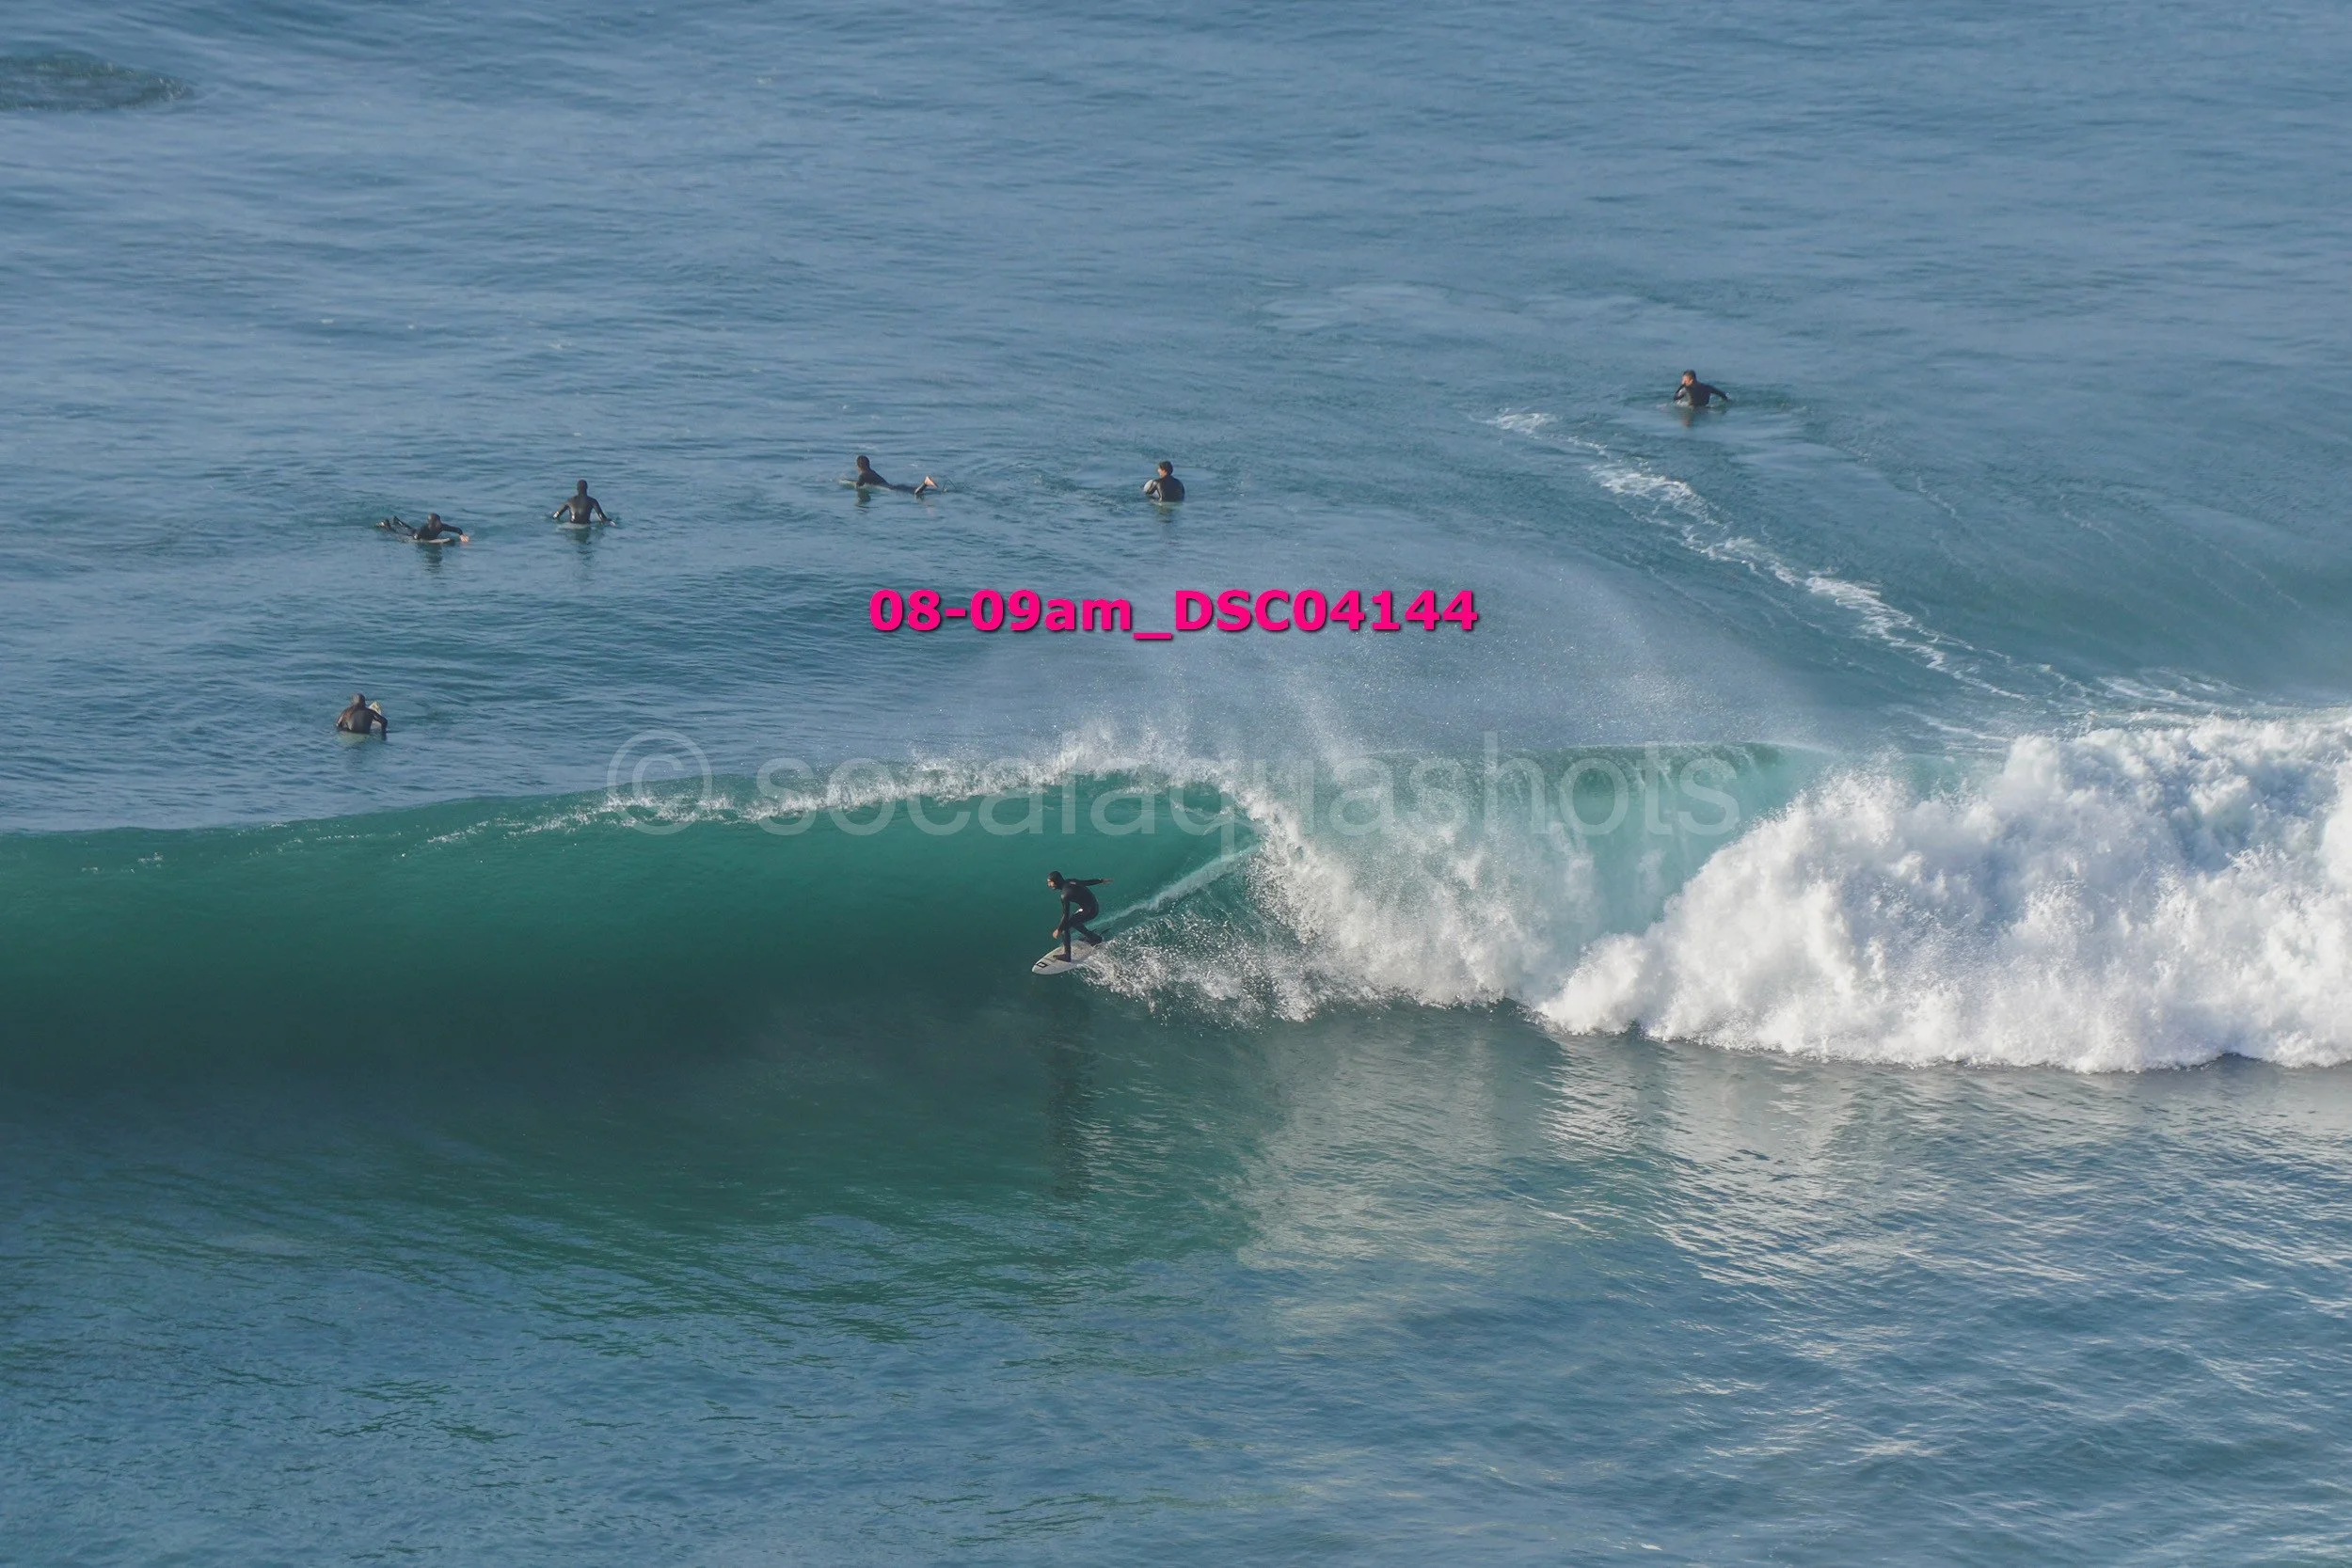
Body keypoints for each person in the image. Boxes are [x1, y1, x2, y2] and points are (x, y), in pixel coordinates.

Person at [1046, 871, 1109, 960]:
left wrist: (1059, 929)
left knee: (1065, 926)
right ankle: (1094, 938)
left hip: (1090, 911)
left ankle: (1067, 956)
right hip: (1094, 906)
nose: (1049, 884)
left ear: (1056, 881)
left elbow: (1065, 914)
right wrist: (1101, 880)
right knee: (1074, 920)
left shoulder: (1065, 894)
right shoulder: (1070, 881)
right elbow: (1086, 882)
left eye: (1050, 882)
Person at [853, 455, 937, 496]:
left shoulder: (863, 475)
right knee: (913, 489)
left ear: (859, 466)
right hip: (892, 485)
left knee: (915, 493)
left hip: (890, 488)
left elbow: (858, 486)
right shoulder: (871, 471)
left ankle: (925, 483)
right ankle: (930, 485)